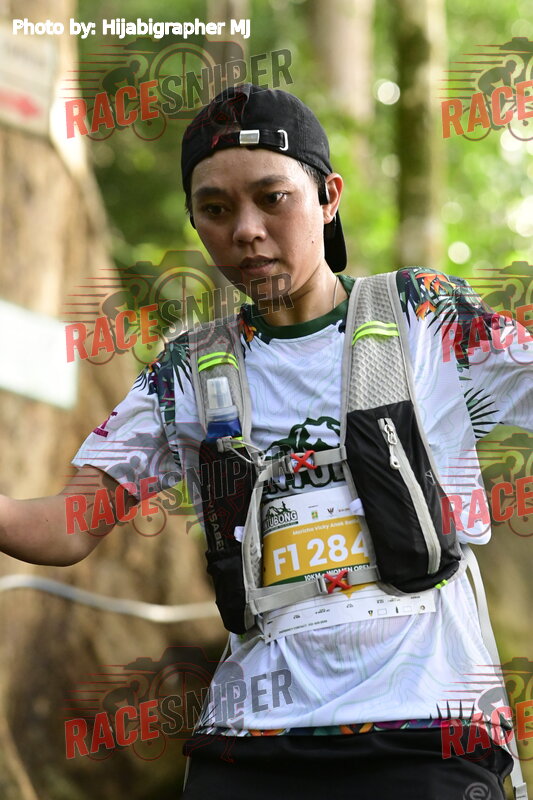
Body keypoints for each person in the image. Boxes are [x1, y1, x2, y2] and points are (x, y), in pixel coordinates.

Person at [0, 83, 531, 799]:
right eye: (216, 210)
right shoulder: (188, 371)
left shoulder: (423, 315)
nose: (246, 230)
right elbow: (68, 525)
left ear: (328, 196)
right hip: (249, 744)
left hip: (428, 732)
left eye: (272, 198)